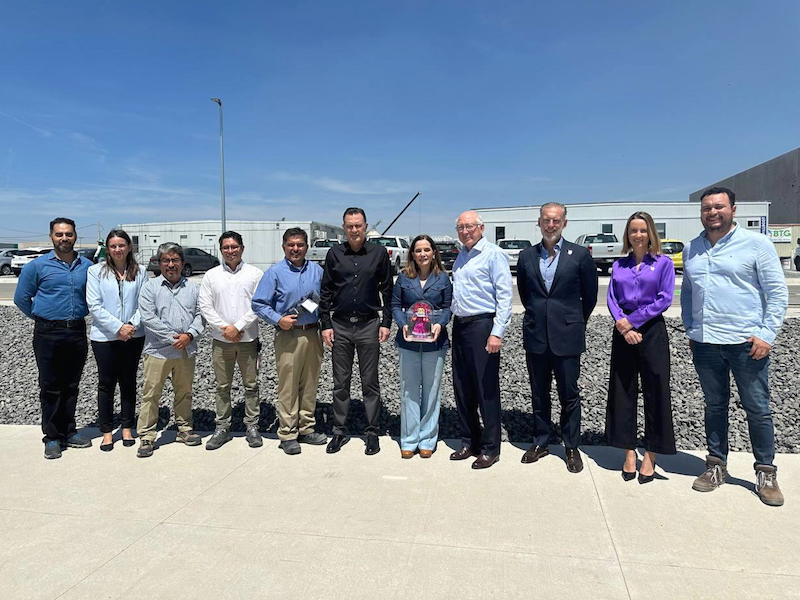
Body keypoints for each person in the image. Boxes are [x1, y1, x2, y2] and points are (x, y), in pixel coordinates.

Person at [682, 187, 788, 506]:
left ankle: (766, 472)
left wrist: (766, 334)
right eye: (706, 208)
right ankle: (716, 466)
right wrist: (691, 328)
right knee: (714, 406)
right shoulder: (692, 249)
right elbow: (688, 293)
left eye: (719, 206)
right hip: (706, 343)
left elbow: (777, 293)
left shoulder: (757, 244)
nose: (712, 212)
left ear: (733, 209)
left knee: (757, 408)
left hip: (747, 343)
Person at [516, 202, 598, 473]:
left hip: (567, 336)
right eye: (546, 220)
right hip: (537, 334)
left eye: (556, 221)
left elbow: (590, 296)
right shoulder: (527, 255)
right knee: (539, 393)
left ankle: (571, 446)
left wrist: (573, 321)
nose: (550, 225)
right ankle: (541, 441)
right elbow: (526, 295)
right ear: (538, 223)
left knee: (569, 394)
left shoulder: (579, 255)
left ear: (565, 223)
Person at [14, 217, 94, 459]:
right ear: (51, 236)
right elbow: (21, 299)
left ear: (75, 236)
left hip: (76, 331)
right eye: (59, 234)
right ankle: (51, 437)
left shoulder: (87, 266)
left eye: (68, 234)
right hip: (47, 332)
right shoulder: (37, 266)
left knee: (71, 384)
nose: (64, 239)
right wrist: (43, 318)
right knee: (50, 386)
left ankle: (69, 431)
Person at [606, 212, 676, 483]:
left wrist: (633, 322)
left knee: (656, 389)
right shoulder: (619, 265)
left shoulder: (663, 263)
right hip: (623, 331)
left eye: (643, 230)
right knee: (623, 390)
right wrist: (622, 324)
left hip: (651, 331)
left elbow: (665, 298)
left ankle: (651, 454)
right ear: (627, 234)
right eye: (633, 230)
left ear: (651, 234)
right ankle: (628, 451)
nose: (638, 235)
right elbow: (612, 297)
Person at [319, 208, 393, 455]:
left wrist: (386, 323)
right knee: (340, 383)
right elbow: (326, 292)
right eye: (349, 226)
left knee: (370, 382)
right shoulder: (334, 254)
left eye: (358, 225)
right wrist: (326, 325)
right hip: (339, 325)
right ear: (344, 227)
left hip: (368, 325)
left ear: (365, 226)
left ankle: (372, 432)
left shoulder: (379, 254)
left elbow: (388, 291)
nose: (354, 230)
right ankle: (339, 431)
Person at [252, 228, 327, 455]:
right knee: (288, 385)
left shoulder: (317, 271)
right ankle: (287, 433)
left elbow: (325, 299)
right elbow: (259, 303)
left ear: (306, 247)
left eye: (300, 245)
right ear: (284, 246)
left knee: (310, 383)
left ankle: (306, 428)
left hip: (313, 332)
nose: (296, 249)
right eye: (291, 245)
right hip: (288, 334)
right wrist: (278, 319)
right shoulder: (274, 273)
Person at [450, 211, 512, 469]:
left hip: (482, 325)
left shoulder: (493, 254)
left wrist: (497, 331)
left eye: (470, 226)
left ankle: (490, 447)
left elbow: (505, 295)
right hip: (460, 326)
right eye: (461, 227)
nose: (465, 231)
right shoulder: (462, 256)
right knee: (463, 387)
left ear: (481, 228)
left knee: (486, 388)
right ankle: (469, 441)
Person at [136, 243, 204, 458]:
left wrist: (189, 335)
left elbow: (201, 315)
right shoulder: (150, 287)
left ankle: (184, 429)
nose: (171, 264)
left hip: (186, 350)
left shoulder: (194, 288)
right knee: (151, 394)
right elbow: (148, 317)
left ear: (182, 263)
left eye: (175, 260)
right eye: (166, 260)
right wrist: (173, 338)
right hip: (157, 351)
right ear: (159, 263)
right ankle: (147, 435)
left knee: (184, 393)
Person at [199, 231, 264, 450]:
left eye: (234, 247)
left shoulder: (255, 274)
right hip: (221, 340)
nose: (230, 251)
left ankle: (252, 426)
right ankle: (222, 427)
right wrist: (225, 328)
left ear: (242, 248)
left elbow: (259, 305)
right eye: (226, 247)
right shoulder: (211, 275)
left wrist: (237, 327)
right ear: (221, 250)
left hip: (248, 339)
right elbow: (205, 306)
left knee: (251, 385)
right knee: (222, 386)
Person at [391, 234, 453, 459]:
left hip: (435, 343)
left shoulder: (443, 279)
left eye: (427, 249)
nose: (423, 254)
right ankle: (408, 439)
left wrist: (440, 324)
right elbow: (396, 304)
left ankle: (427, 439)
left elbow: (447, 307)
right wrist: (402, 324)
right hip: (408, 342)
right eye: (418, 250)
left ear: (434, 252)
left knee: (431, 391)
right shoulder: (404, 278)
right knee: (408, 391)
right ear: (412, 255)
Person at [86, 229, 148, 451]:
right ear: (108, 249)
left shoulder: (140, 272)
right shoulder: (96, 272)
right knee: (106, 383)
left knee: (128, 382)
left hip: (133, 335)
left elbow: (144, 303)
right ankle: (106, 431)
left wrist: (130, 326)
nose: (117, 250)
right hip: (104, 337)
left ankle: (127, 428)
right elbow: (94, 305)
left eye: (121, 245)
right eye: (113, 246)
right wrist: (117, 327)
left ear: (129, 247)